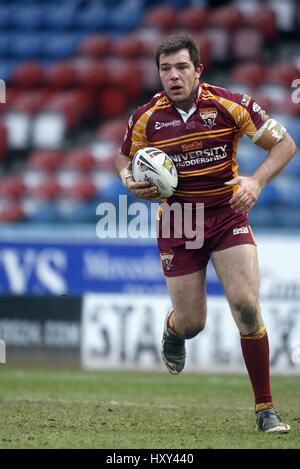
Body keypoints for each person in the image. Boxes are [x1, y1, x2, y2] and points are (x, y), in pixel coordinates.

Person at [115, 33, 296, 433]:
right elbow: (124, 155)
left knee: (246, 305)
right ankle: (173, 330)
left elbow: (284, 145)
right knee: (193, 322)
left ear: (198, 70)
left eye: (181, 67)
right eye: (165, 69)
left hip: (226, 214)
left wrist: (257, 182)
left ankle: (265, 408)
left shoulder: (230, 104)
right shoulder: (146, 117)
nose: (173, 76)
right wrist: (129, 180)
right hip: (179, 223)